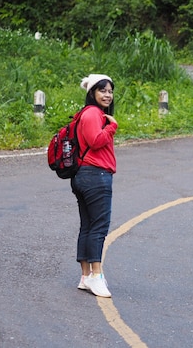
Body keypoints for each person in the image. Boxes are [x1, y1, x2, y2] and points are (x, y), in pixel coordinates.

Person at [71, 74, 118, 298]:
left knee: (88, 226)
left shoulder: (92, 114)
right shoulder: (92, 113)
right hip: (95, 175)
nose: (107, 95)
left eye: (110, 91)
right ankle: (97, 277)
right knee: (98, 228)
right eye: (102, 91)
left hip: (86, 175)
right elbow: (96, 141)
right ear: (92, 93)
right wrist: (112, 127)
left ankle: (85, 277)